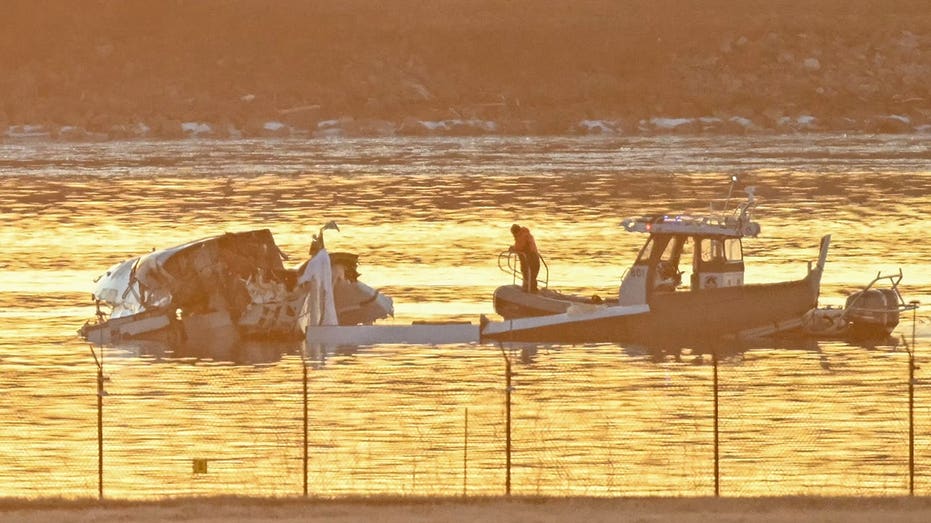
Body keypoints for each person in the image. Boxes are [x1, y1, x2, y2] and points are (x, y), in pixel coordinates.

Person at [509, 223, 540, 293]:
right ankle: (531, 288)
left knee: (528, 273)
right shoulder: (526, 234)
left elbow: (519, 247)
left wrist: (512, 248)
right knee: (531, 275)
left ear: (514, 232)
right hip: (534, 257)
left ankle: (530, 290)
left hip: (529, 258)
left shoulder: (521, 236)